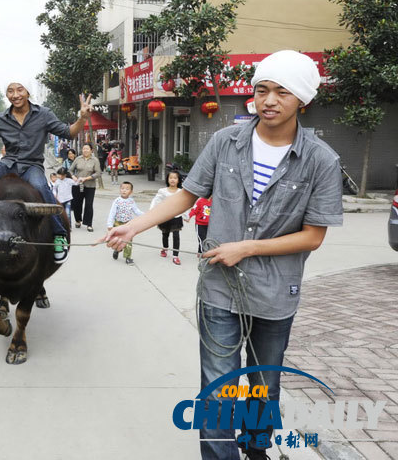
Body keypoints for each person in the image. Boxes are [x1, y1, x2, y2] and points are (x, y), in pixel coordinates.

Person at [103, 50, 343, 460]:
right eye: (262, 90)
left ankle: (256, 448)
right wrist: (134, 226)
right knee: (218, 386)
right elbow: (186, 196)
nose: (269, 100)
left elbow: (313, 236)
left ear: (302, 99)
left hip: (274, 292)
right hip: (219, 290)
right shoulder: (225, 142)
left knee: (264, 383)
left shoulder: (322, 160)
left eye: (282, 92)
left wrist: (247, 247)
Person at [0, 82, 93, 265]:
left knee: (42, 187)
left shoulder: (44, 114)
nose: (15, 94)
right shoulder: (1, 118)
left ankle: (58, 235)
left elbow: (68, 133)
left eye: (19, 90)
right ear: (7, 96)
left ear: (27, 93)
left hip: (32, 165)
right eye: (10, 91)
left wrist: (82, 118)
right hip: (7, 164)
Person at [151, 170, 188, 265]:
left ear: (178, 180)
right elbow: (156, 201)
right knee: (165, 234)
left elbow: (185, 204)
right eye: (171, 178)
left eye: (175, 178)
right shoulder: (162, 191)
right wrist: (152, 211)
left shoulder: (181, 192)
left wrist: (186, 215)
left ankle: (175, 256)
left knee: (176, 236)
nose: (173, 180)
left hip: (177, 217)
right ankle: (165, 248)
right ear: (167, 179)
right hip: (165, 216)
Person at [106, 181, 144, 265]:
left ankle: (128, 257)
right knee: (119, 240)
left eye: (127, 189)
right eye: (122, 188)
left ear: (131, 191)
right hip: (117, 224)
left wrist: (145, 215)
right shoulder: (117, 201)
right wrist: (109, 224)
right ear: (120, 190)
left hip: (128, 225)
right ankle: (117, 250)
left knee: (128, 241)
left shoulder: (131, 201)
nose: (124, 190)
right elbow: (112, 213)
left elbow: (136, 211)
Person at [69, 143, 101, 232]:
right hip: (78, 185)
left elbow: (98, 173)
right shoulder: (78, 159)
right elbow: (70, 170)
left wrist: (87, 178)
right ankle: (78, 220)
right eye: (83, 149)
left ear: (91, 150)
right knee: (77, 204)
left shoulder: (95, 160)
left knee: (89, 205)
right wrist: (74, 177)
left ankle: (89, 224)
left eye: (87, 149)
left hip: (90, 186)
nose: (85, 150)